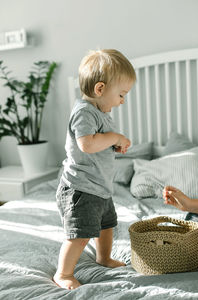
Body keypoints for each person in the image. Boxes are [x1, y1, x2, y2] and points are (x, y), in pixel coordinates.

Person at [53, 49, 136, 290]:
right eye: (121, 94)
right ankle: (64, 273)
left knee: (107, 226)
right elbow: (87, 144)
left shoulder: (100, 112)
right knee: (80, 235)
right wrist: (114, 136)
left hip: (99, 187)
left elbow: (98, 144)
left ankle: (104, 258)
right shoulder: (84, 112)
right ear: (100, 89)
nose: (122, 100)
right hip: (80, 189)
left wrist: (113, 145)